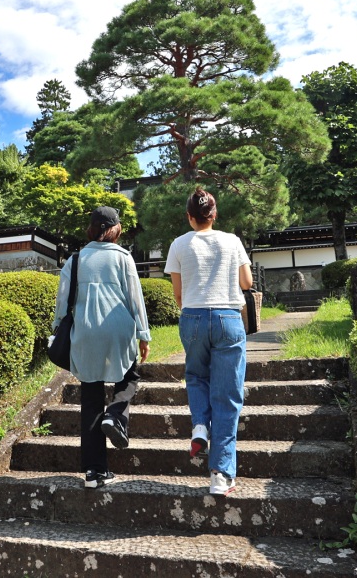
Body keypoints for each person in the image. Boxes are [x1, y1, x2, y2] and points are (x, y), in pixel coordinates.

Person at [52, 206, 151, 489]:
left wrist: (57, 328)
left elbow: (62, 302)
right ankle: (116, 415)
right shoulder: (123, 257)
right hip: (118, 327)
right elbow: (135, 297)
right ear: (114, 229)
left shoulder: (76, 259)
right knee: (129, 376)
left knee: (91, 394)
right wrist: (143, 334)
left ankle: (95, 472)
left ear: (93, 229)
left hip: (85, 331)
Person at [164, 188, 253, 496]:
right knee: (227, 395)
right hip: (228, 317)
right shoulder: (232, 241)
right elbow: (247, 283)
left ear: (190, 217)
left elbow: (177, 293)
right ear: (214, 215)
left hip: (192, 318)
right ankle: (221, 474)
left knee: (196, 377)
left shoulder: (178, 244)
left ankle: (200, 424)